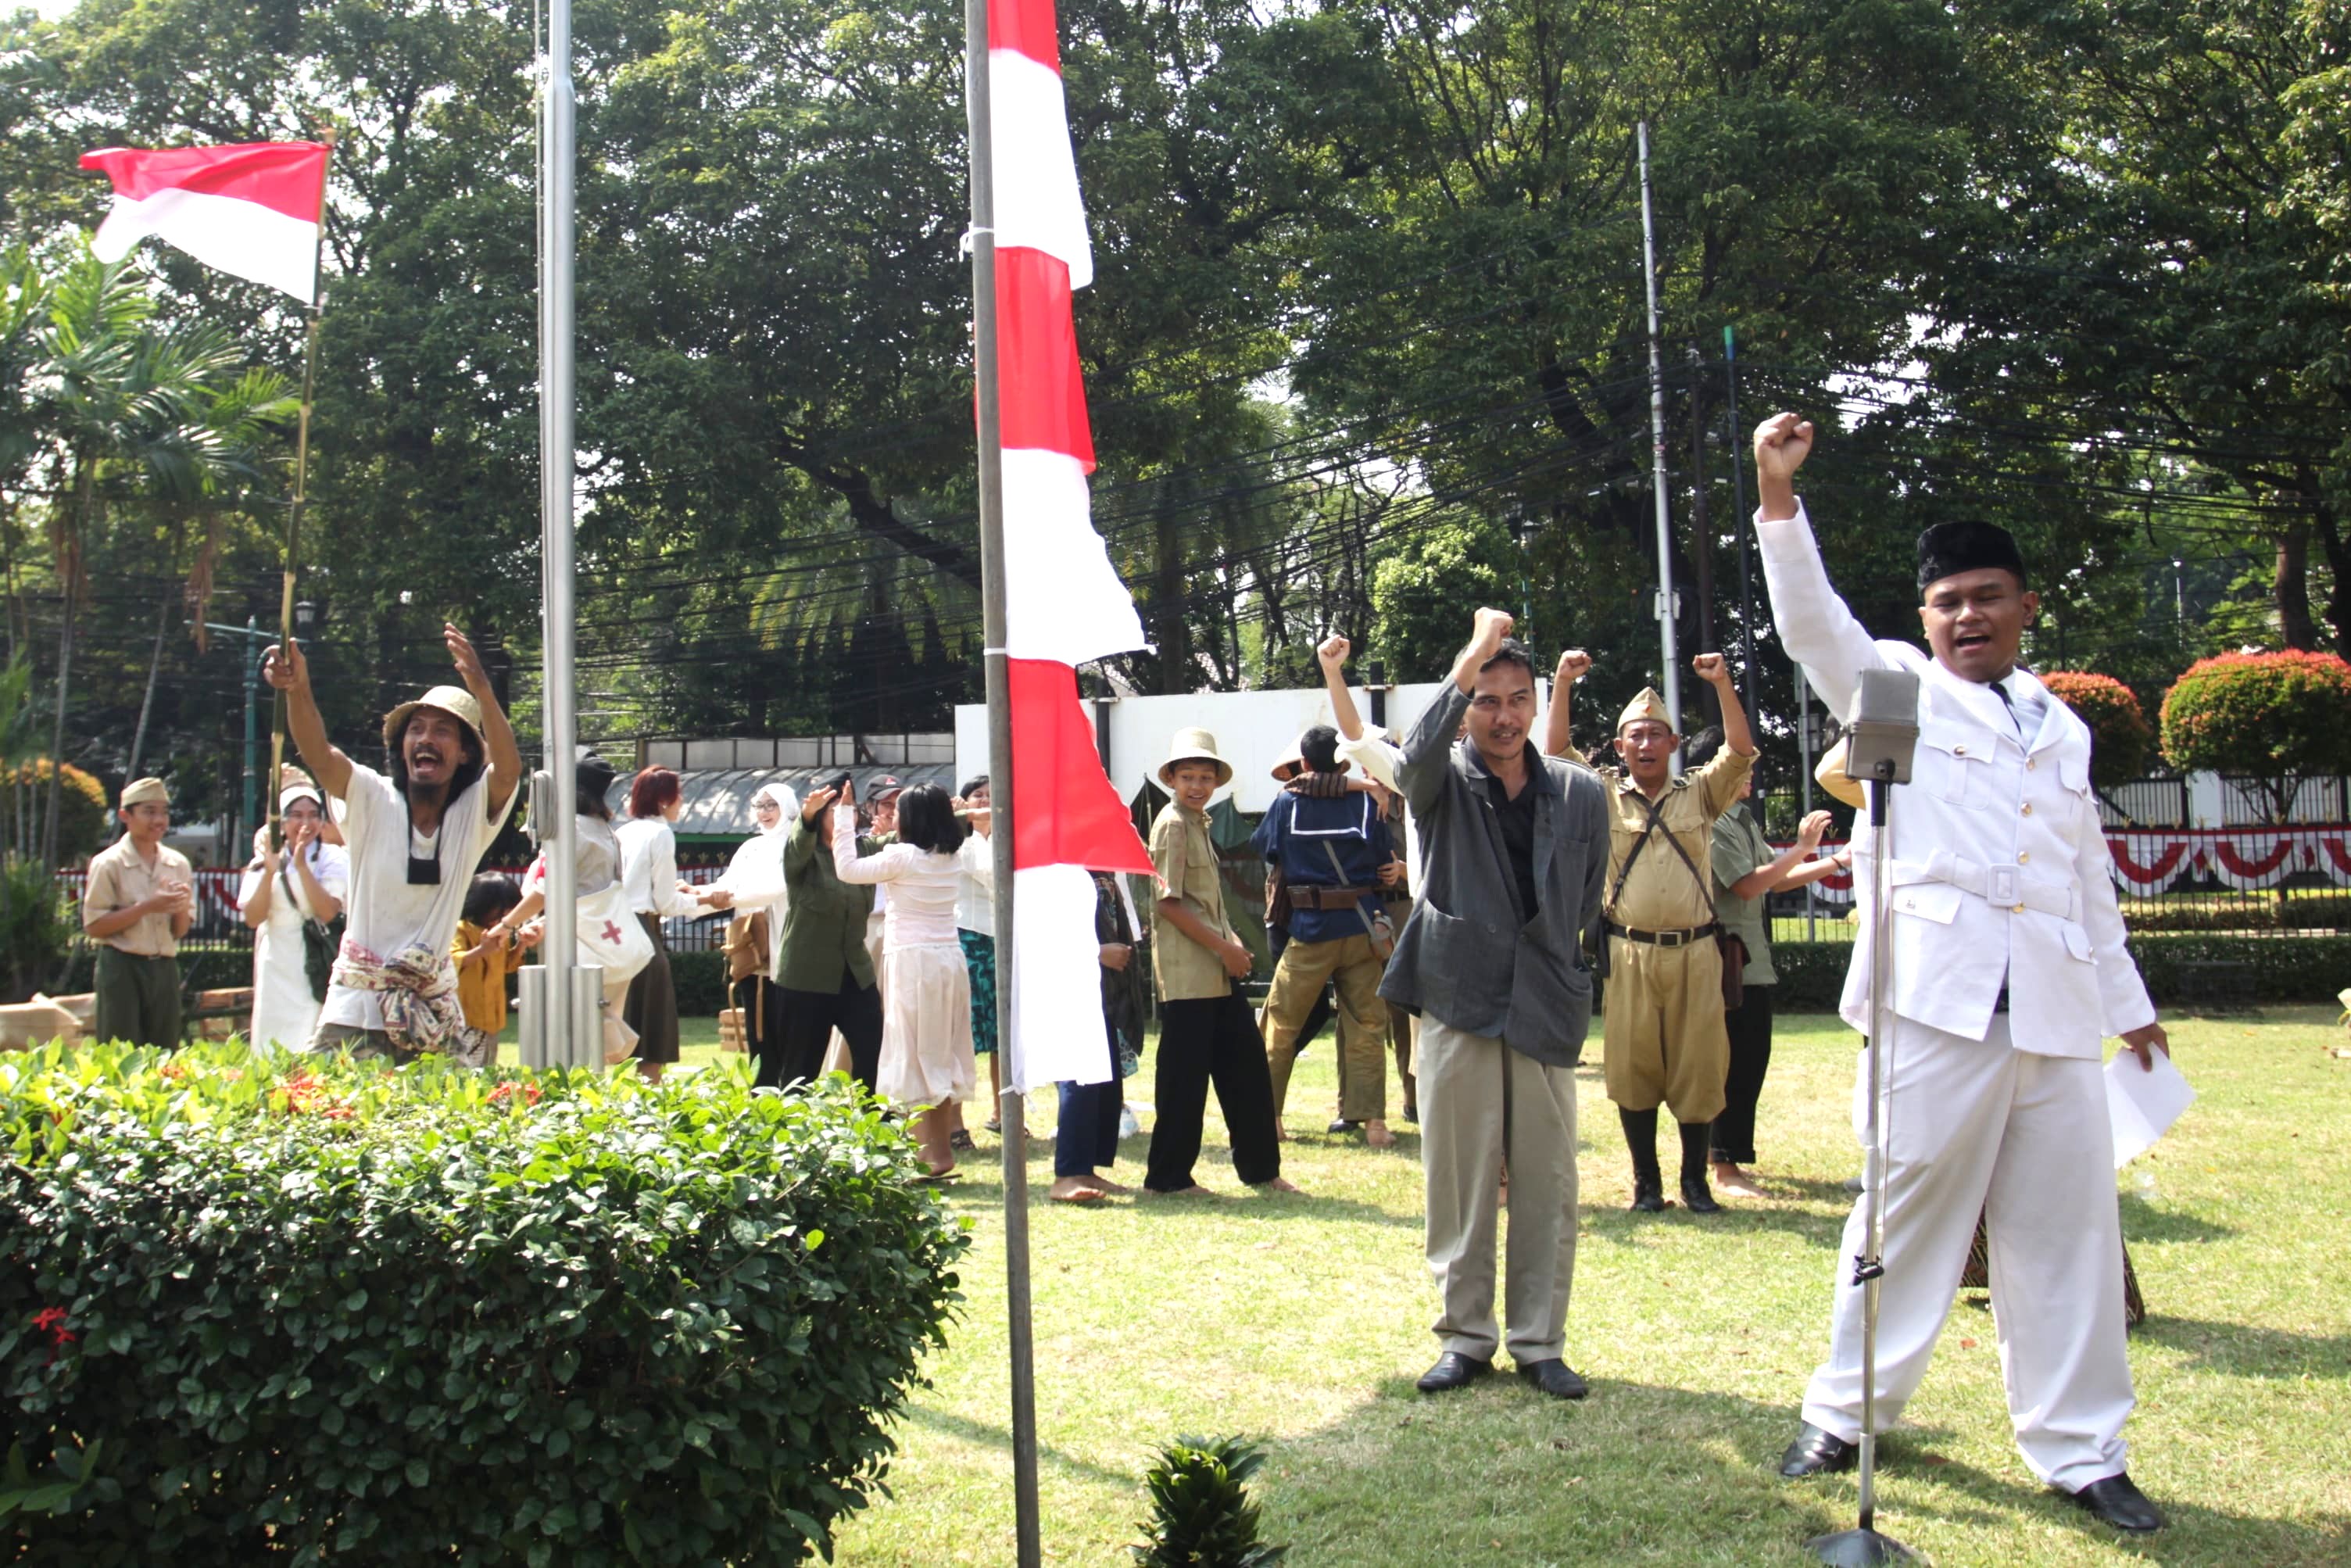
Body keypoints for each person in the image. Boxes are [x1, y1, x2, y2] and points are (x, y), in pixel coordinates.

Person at [1752, 410, 2170, 1534]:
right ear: (1925, 618)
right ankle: (1844, 1411)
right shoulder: (1894, 686)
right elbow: (1812, 625)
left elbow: (2087, 879)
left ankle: (2083, 1448)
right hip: (1937, 1000)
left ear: (2026, 605)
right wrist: (1778, 497)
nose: (1968, 615)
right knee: (1902, 1215)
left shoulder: (2061, 726)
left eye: (1988, 594)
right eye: (1947, 601)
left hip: (2053, 1005)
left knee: (2067, 1228)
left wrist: (2131, 1009)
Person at [1384, 609, 1607, 1401]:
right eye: (1486, 698)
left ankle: (1540, 1339)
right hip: (1455, 995)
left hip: (1544, 997)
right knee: (1458, 1176)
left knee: (1547, 1178)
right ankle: (1465, 1335)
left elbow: (1585, 897)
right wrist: (1469, 653)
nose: (1505, 715)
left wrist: (1547, 955)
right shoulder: (1440, 781)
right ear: (1465, 706)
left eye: (1518, 697)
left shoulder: (1580, 792)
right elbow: (1409, 759)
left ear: (1536, 702)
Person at [1544, 650, 1756, 1215]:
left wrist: (1722, 682)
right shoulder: (1603, 793)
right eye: (1635, 736)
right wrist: (1563, 681)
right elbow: (1556, 753)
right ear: (1620, 748)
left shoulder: (1700, 795)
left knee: (1699, 1067)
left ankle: (1695, 1182)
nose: (1644, 745)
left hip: (1696, 951)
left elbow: (1739, 751)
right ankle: (1645, 1183)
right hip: (1630, 951)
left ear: (1674, 743)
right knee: (1633, 1068)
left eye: (1656, 735)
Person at [263, 625, 520, 1058]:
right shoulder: (370, 796)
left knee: (446, 1126)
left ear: (464, 755)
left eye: (443, 731)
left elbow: (509, 771)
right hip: (354, 1013)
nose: (425, 739)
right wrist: (298, 690)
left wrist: (481, 686)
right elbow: (319, 754)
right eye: (416, 729)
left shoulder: (473, 812)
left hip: (433, 1016)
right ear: (402, 746)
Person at [1683, 727, 1848, 1198]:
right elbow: (1747, 885)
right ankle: (1723, 1164)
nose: (1751, 776)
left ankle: (1730, 1158)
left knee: (1750, 1059)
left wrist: (1836, 862)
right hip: (1726, 963)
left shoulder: (1740, 818)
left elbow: (1774, 880)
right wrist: (1801, 846)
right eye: (1742, 767)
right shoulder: (1711, 820)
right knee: (1730, 1064)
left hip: (1749, 962)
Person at [1142, 729, 1297, 1197]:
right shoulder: (1171, 823)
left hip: (1215, 969)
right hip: (1189, 974)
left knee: (1245, 1071)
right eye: (1187, 776)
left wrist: (1231, 942)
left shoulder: (1197, 821)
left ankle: (1260, 1170)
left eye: (1205, 776)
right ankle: (1167, 1180)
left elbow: (1206, 902)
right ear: (1171, 778)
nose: (1196, 784)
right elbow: (1167, 904)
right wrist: (1224, 947)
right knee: (1184, 1082)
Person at [1256, 725, 1397, 1147]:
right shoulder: (1368, 801)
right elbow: (1381, 857)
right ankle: (1374, 1124)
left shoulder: (1286, 803)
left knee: (1280, 1024)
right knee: (1368, 1025)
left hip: (1311, 928)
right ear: (1343, 763)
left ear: (1303, 764)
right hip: (1362, 928)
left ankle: (1270, 1120)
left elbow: (1266, 848)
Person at [831, 781, 971, 1177]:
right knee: (939, 1054)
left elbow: (847, 868)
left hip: (912, 962)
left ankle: (925, 1154)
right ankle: (938, 1152)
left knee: (911, 1053)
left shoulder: (902, 856)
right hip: (948, 961)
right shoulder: (954, 856)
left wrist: (845, 815)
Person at [506, 754, 646, 1065]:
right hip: (612, 948)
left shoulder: (569, 830)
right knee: (596, 1036)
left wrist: (506, 925)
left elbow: (548, 890)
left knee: (566, 1039)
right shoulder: (606, 831)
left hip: (577, 948)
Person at [761, 781, 886, 1092]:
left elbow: (907, 842)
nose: (846, 817)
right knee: (799, 1074)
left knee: (874, 1057)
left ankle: (873, 1130)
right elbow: (796, 848)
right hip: (806, 978)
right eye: (835, 811)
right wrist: (806, 815)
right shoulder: (804, 855)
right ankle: (793, 1136)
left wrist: (941, 816)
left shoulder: (864, 851)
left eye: (850, 810)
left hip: (855, 974)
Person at [1050, 870, 1146, 1202]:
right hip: (1071, 988)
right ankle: (1066, 1174)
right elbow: (1045, 933)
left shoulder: (1101, 870)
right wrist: (1097, 952)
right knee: (1080, 1080)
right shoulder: (1055, 871)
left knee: (1105, 1083)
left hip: (1103, 991)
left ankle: (1087, 1168)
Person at [81, 776, 195, 1048]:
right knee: (120, 1051)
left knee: (166, 1051)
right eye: (149, 811)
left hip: (164, 967)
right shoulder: (108, 863)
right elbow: (94, 926)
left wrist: (179, 907)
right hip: (122, 966)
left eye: (164, 812)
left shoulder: (177, 864)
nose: (159, 820)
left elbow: (179, 931)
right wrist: (148, 907)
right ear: (125, 816)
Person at [237, 779, 350, 1051]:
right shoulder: (261, 861)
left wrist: (301, 867)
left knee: (311, 1032)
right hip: (276, 960)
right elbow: (253, 917)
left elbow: (328, 911)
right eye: (297, 815)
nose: (306, 823)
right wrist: (270, 871)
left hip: (315, 956)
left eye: (313, 815)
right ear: (282, 822)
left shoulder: (332, 857)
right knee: (272, 1038)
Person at [693, 780, 800, 1065]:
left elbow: (773, 889)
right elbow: (727, 883)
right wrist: (694, 896)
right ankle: (761, 1093)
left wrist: (722, 898)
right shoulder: (751, 846)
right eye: (759, 806)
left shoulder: (797, 844)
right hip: (751, 947)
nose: (764, 812)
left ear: (788, 808)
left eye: (771, 805)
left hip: (785, 946)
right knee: (757, 1027)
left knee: (787, 1029)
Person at [616, 767, 701, 1083]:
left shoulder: (624, 832)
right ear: (665, 800)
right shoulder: (661, 834)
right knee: (654, 1020)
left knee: (625, 1016)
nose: (681, 801)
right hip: (643, 929)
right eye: (677, 794)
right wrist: (705, 901)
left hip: (617, 929)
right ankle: (650, 1093)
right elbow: (666, 902)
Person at [954, 775, 999, 1140]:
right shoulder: (955, 841)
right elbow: (987, 873)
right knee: (960, 1033)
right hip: (965, 936)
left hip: (1004, 940)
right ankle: (955, 1123)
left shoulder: (1010, 838)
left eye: (991, 796)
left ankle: (1004, 1114)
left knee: (1005, 1033)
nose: (984, 801)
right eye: (977, 796)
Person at [451, 873, 535, 1066]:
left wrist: (521, 945)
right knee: (464, 1068)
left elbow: (507, 965)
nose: (506, 917)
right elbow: (453, 961)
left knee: (487, 1066)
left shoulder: (498, 932)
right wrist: (482, 950)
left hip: (491, 1017)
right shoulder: (460, 929)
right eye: (502, 911)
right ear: (484, 905)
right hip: (466, 1016)